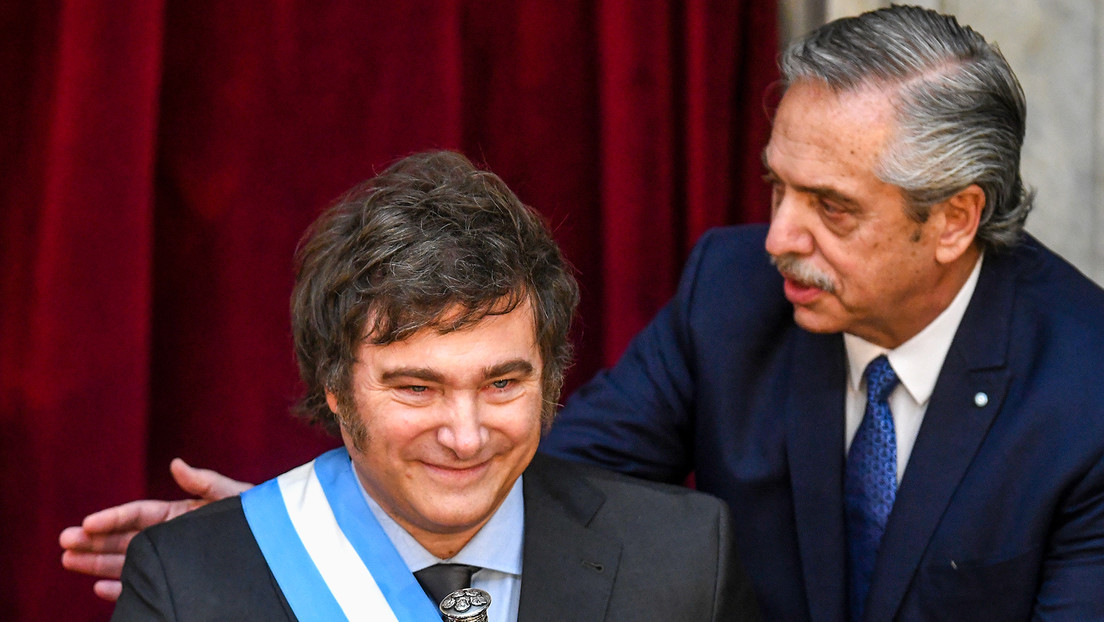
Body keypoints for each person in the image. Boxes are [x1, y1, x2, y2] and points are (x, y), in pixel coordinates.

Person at [62, 5, 1104, 620]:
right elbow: (532, 466)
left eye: (831, 208)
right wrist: (307, 529)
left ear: (955, 219)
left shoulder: (1087, 393)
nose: (779, 235)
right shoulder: (733, 288)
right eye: (777, 186)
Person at [102, 150, 759, 621]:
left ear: (551, 377)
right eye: (417, 388)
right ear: (335, 386)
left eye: (502, 383)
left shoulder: (684, 557)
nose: (466, 437)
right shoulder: (188, 586)